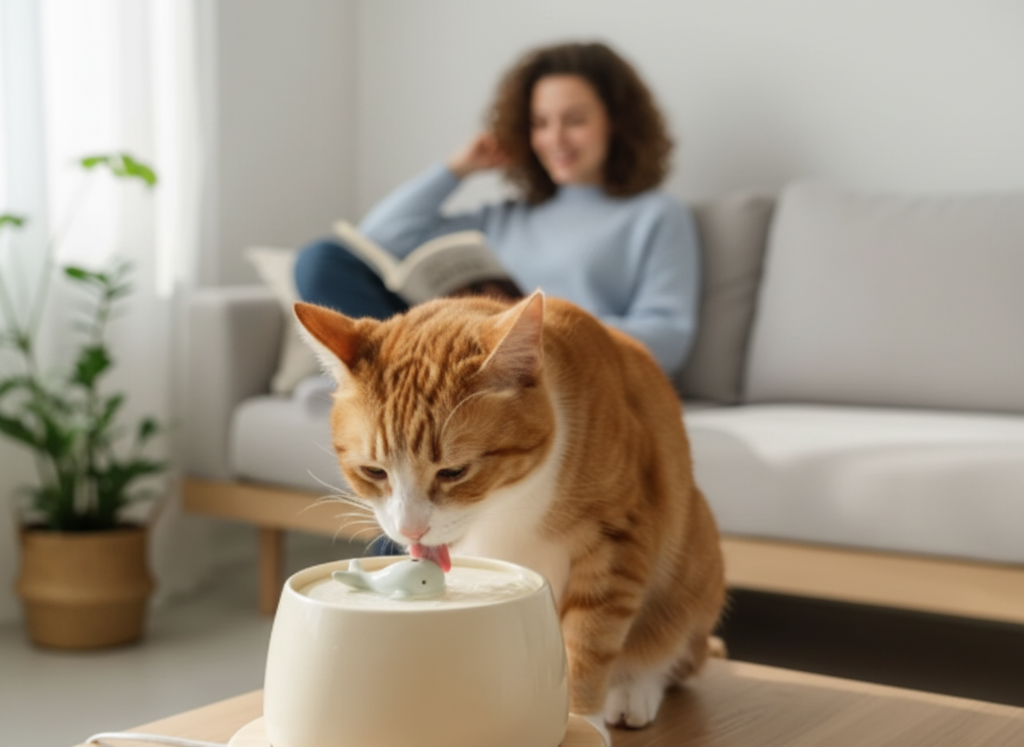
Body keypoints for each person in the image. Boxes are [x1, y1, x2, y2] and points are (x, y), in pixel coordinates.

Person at [295, 40, 700, 378]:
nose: (554, 138)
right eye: (540, 123)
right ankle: (392, 390)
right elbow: (377, 237)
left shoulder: (655, 215)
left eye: (573, 120)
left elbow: (668, 338)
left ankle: (374, 394)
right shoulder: (504, 217)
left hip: (543, 371)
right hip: (452, 367)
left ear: (617, 123)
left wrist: (530, 332)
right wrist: (456, 169)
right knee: (323, 260)